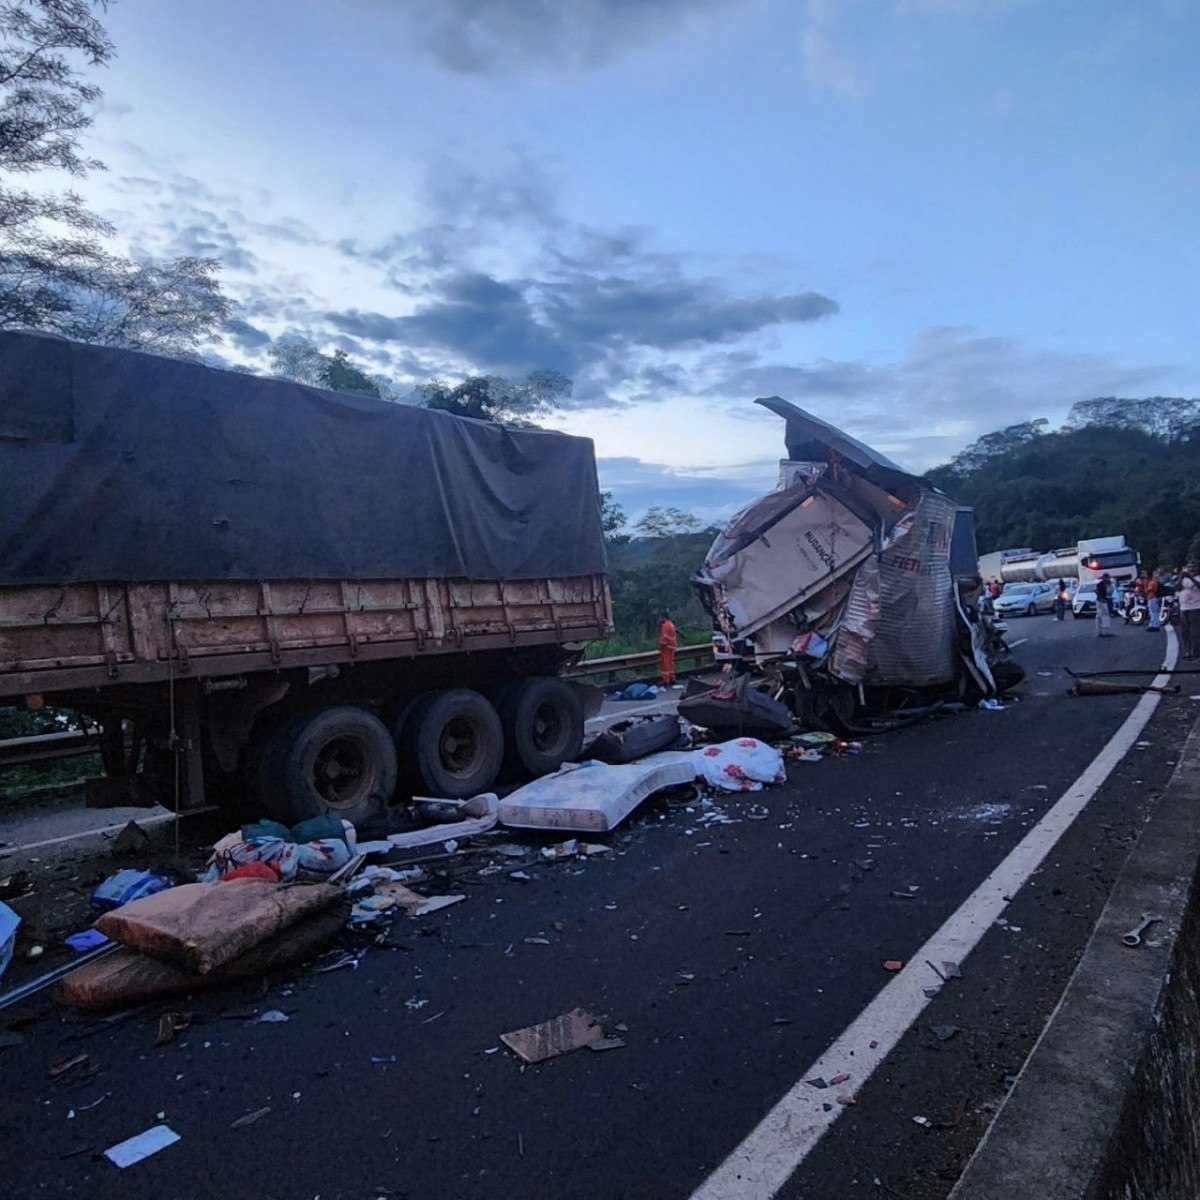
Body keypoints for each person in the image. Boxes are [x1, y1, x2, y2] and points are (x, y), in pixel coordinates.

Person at [1179, 564, 1200, 659]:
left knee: (1195, 632)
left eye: (1193, 567)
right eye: (1189, 567)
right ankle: (1187, 651)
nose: (1191, 569)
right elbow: (1176, 588)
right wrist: (1181, 577)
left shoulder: (1198, 578)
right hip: (1183, 608)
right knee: (1185, 632)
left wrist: (1190, 577)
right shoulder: (1183, 579)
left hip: (1196, 607)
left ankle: (1196, 652)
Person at [658, 611, 678, 686]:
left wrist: (661, 645)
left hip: (666, 647)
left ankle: (666, 680)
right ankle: (672, 678)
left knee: (665, 664)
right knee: (671, 663)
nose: (660, 619)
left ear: (664, 617)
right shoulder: (671, 624)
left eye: (660, 617)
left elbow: (664, 637)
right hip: (672, 646)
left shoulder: (665, 625)